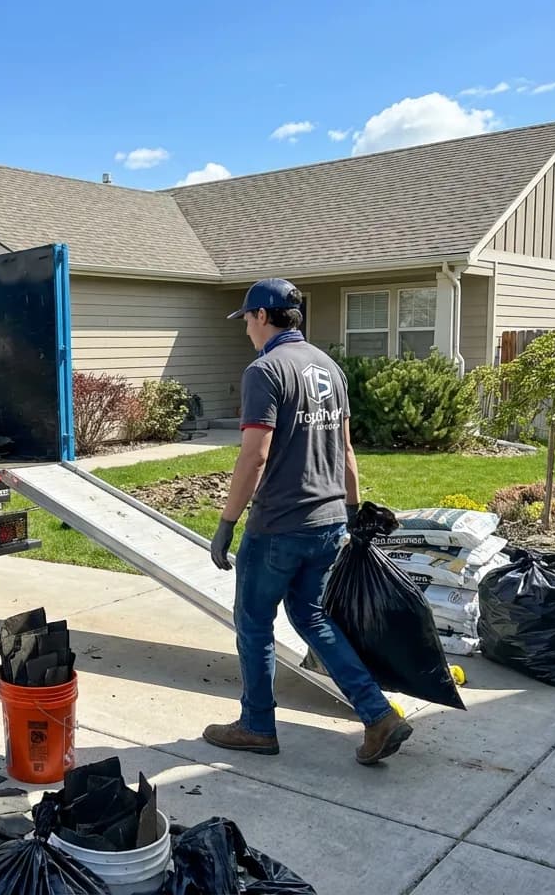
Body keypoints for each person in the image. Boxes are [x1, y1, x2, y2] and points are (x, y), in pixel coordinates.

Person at [204, 278, 413, 765]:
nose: (247, 332)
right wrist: (355, 511)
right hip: (329, 521)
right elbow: (345, 450)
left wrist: (227, 522)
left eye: (247, 321)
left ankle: (257, 725)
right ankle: (378, 714)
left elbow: (254, 457)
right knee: (311, 616)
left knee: (254, 623)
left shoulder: (265, 371)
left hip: (278, 525)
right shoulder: (329, 368)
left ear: (261, 317)